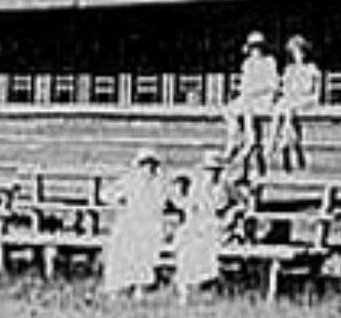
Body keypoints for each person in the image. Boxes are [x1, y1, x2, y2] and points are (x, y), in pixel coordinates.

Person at [101, 147, 168, 298]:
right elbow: (106, 194)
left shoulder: (158, 185)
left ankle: (140, 289)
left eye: (151, 165)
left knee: (144, 257)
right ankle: (117, 290)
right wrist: (117, 199)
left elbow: (163, 204)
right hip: (128, 225)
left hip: (148, 227)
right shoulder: (129, 181)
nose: (148, 168)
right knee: (121, 254)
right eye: (145, 164)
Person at [173, 151, 233, 304]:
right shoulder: (197, 187)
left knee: (206, 246)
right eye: (208, 170)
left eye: (214, 170)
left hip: (216, 225)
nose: (211, 174)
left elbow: (241, 203)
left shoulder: (225, 187)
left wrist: (232, 214)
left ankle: (207, 285)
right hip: (198, 224)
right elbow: (189, 207)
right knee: (186, 245)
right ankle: (184, 290)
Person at [223, 31, 281, 177]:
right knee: (229, 109)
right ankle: (233, 139)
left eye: (259, 47)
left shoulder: (269, 62)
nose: (256, 51)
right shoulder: (247, 64)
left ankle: (250, 138)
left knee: (247, 108)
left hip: (263, 99)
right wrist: (241, 92)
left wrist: (254, 91)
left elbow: (273, 85)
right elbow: (244, 84)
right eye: (253, 47)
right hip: (248, 99)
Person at [272, 34, 322, 171]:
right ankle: (278, 139)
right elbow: (285, 89)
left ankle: (281, 143)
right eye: (294, 52)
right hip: (292, 100)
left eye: (299, 52)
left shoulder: (311, 68)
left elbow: (314, 91)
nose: (297, 55)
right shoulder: (290, 70)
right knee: (279, 109)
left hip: (305, 99)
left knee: (288, 110)